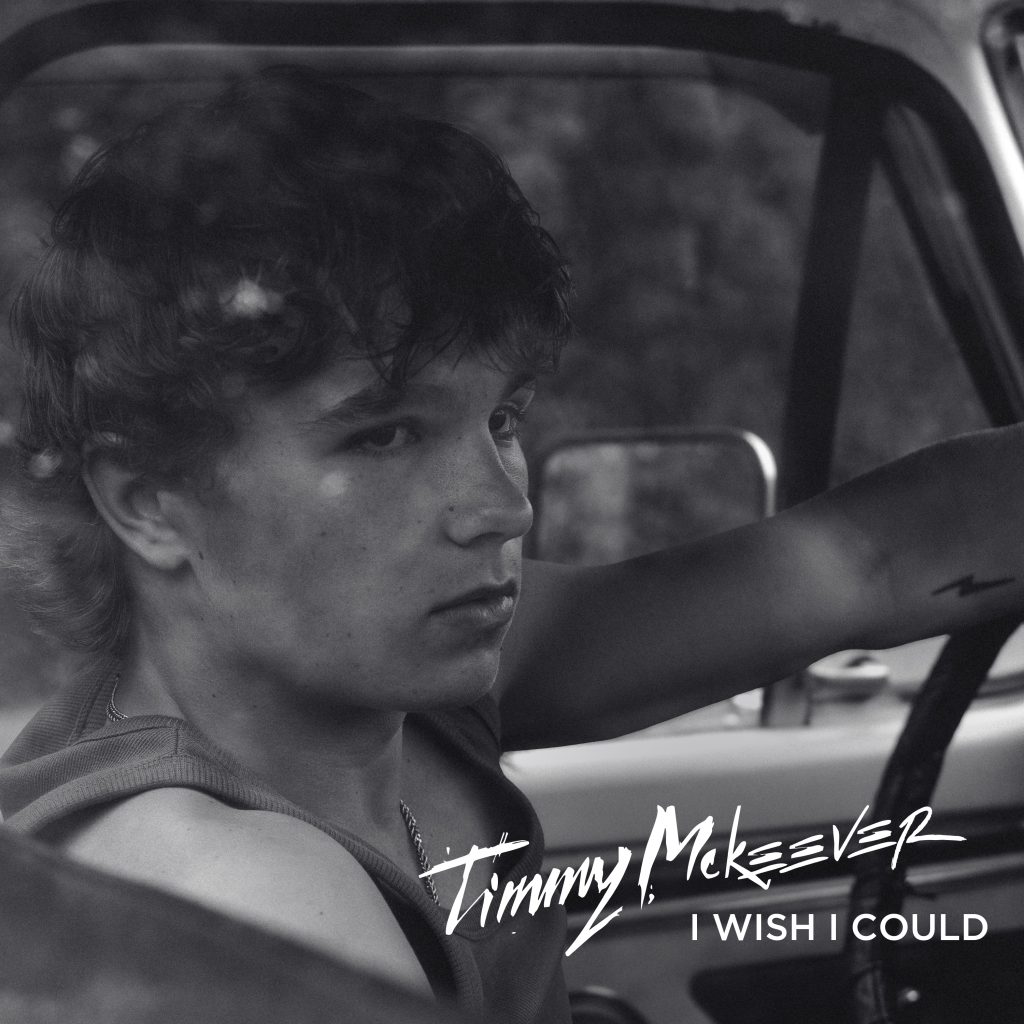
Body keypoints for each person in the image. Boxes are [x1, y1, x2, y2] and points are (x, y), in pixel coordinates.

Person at [1, 66, 1022, 1022]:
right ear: (150, 503)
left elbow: (866, 560)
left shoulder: (388, 680)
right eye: (384, 435)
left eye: (501, 419)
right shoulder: (237, 895)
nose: (500, 507)